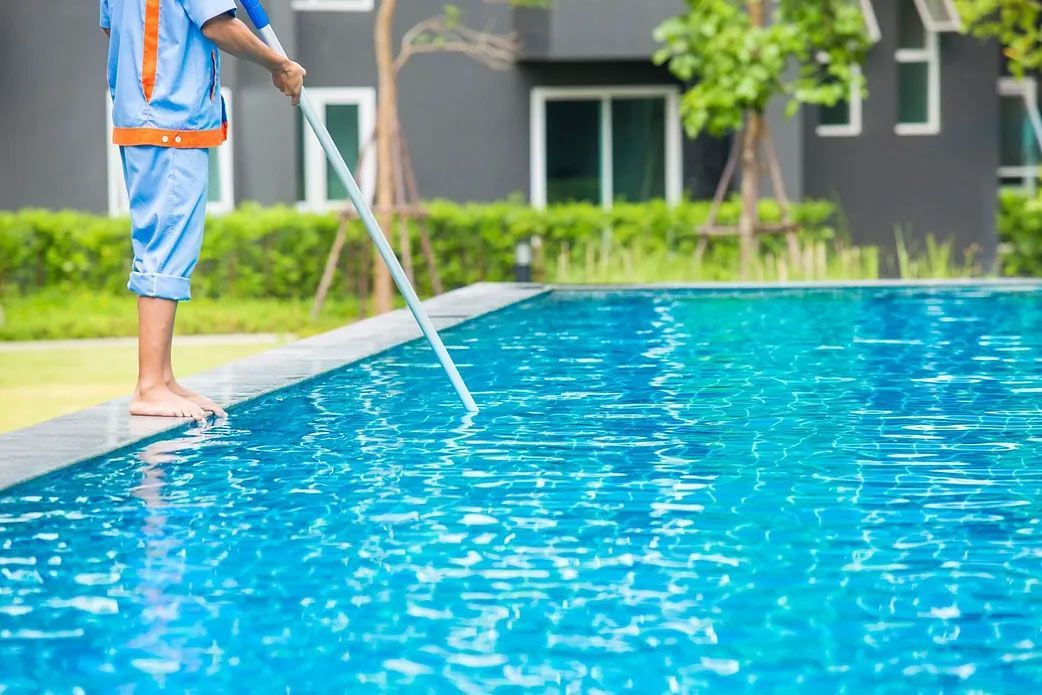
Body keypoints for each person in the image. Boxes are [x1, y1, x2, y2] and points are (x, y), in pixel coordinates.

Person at [101, 0, 306, 421]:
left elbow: (114, 28)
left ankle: (162, 377)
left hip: (141, 117)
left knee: (160, 241)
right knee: (168, 248)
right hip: (172, 121)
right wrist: (279, 64)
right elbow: (217, 25)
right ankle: (150, 386)